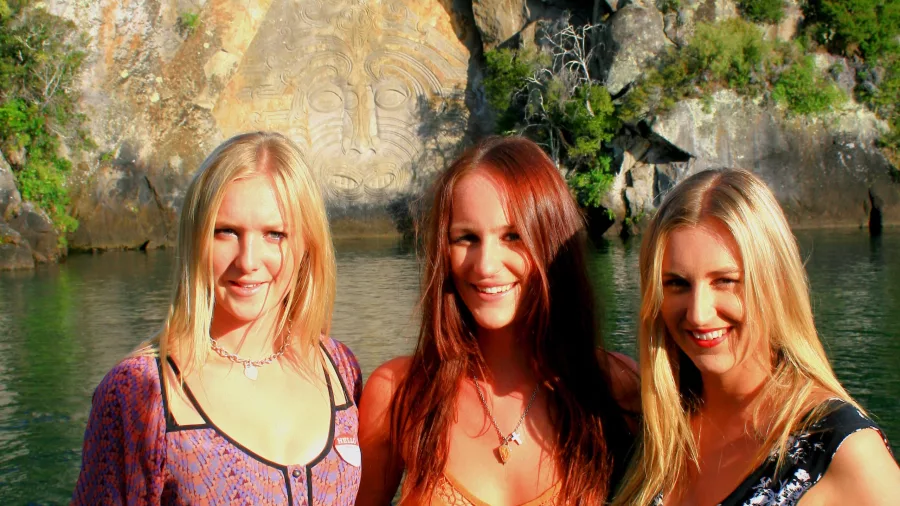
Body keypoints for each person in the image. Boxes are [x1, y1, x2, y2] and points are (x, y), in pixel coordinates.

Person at [72, 132, 363, 504]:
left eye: (275, 234)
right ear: (196, 238)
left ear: (308, 244)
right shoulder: (138, 393)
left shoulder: (338, 368)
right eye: (226, 232)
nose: (248, 261)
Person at [357, 136, 640, 506]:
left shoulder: (617, 387)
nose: (486, 265)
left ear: (552, 241)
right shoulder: (399, 393)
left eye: (513, 236)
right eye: (466, 238)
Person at [613, 169, 900, 506]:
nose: (698, 313)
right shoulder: (657, 430)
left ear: (776, 282)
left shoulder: (842, 451)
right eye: (677, 283)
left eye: (726, 280)